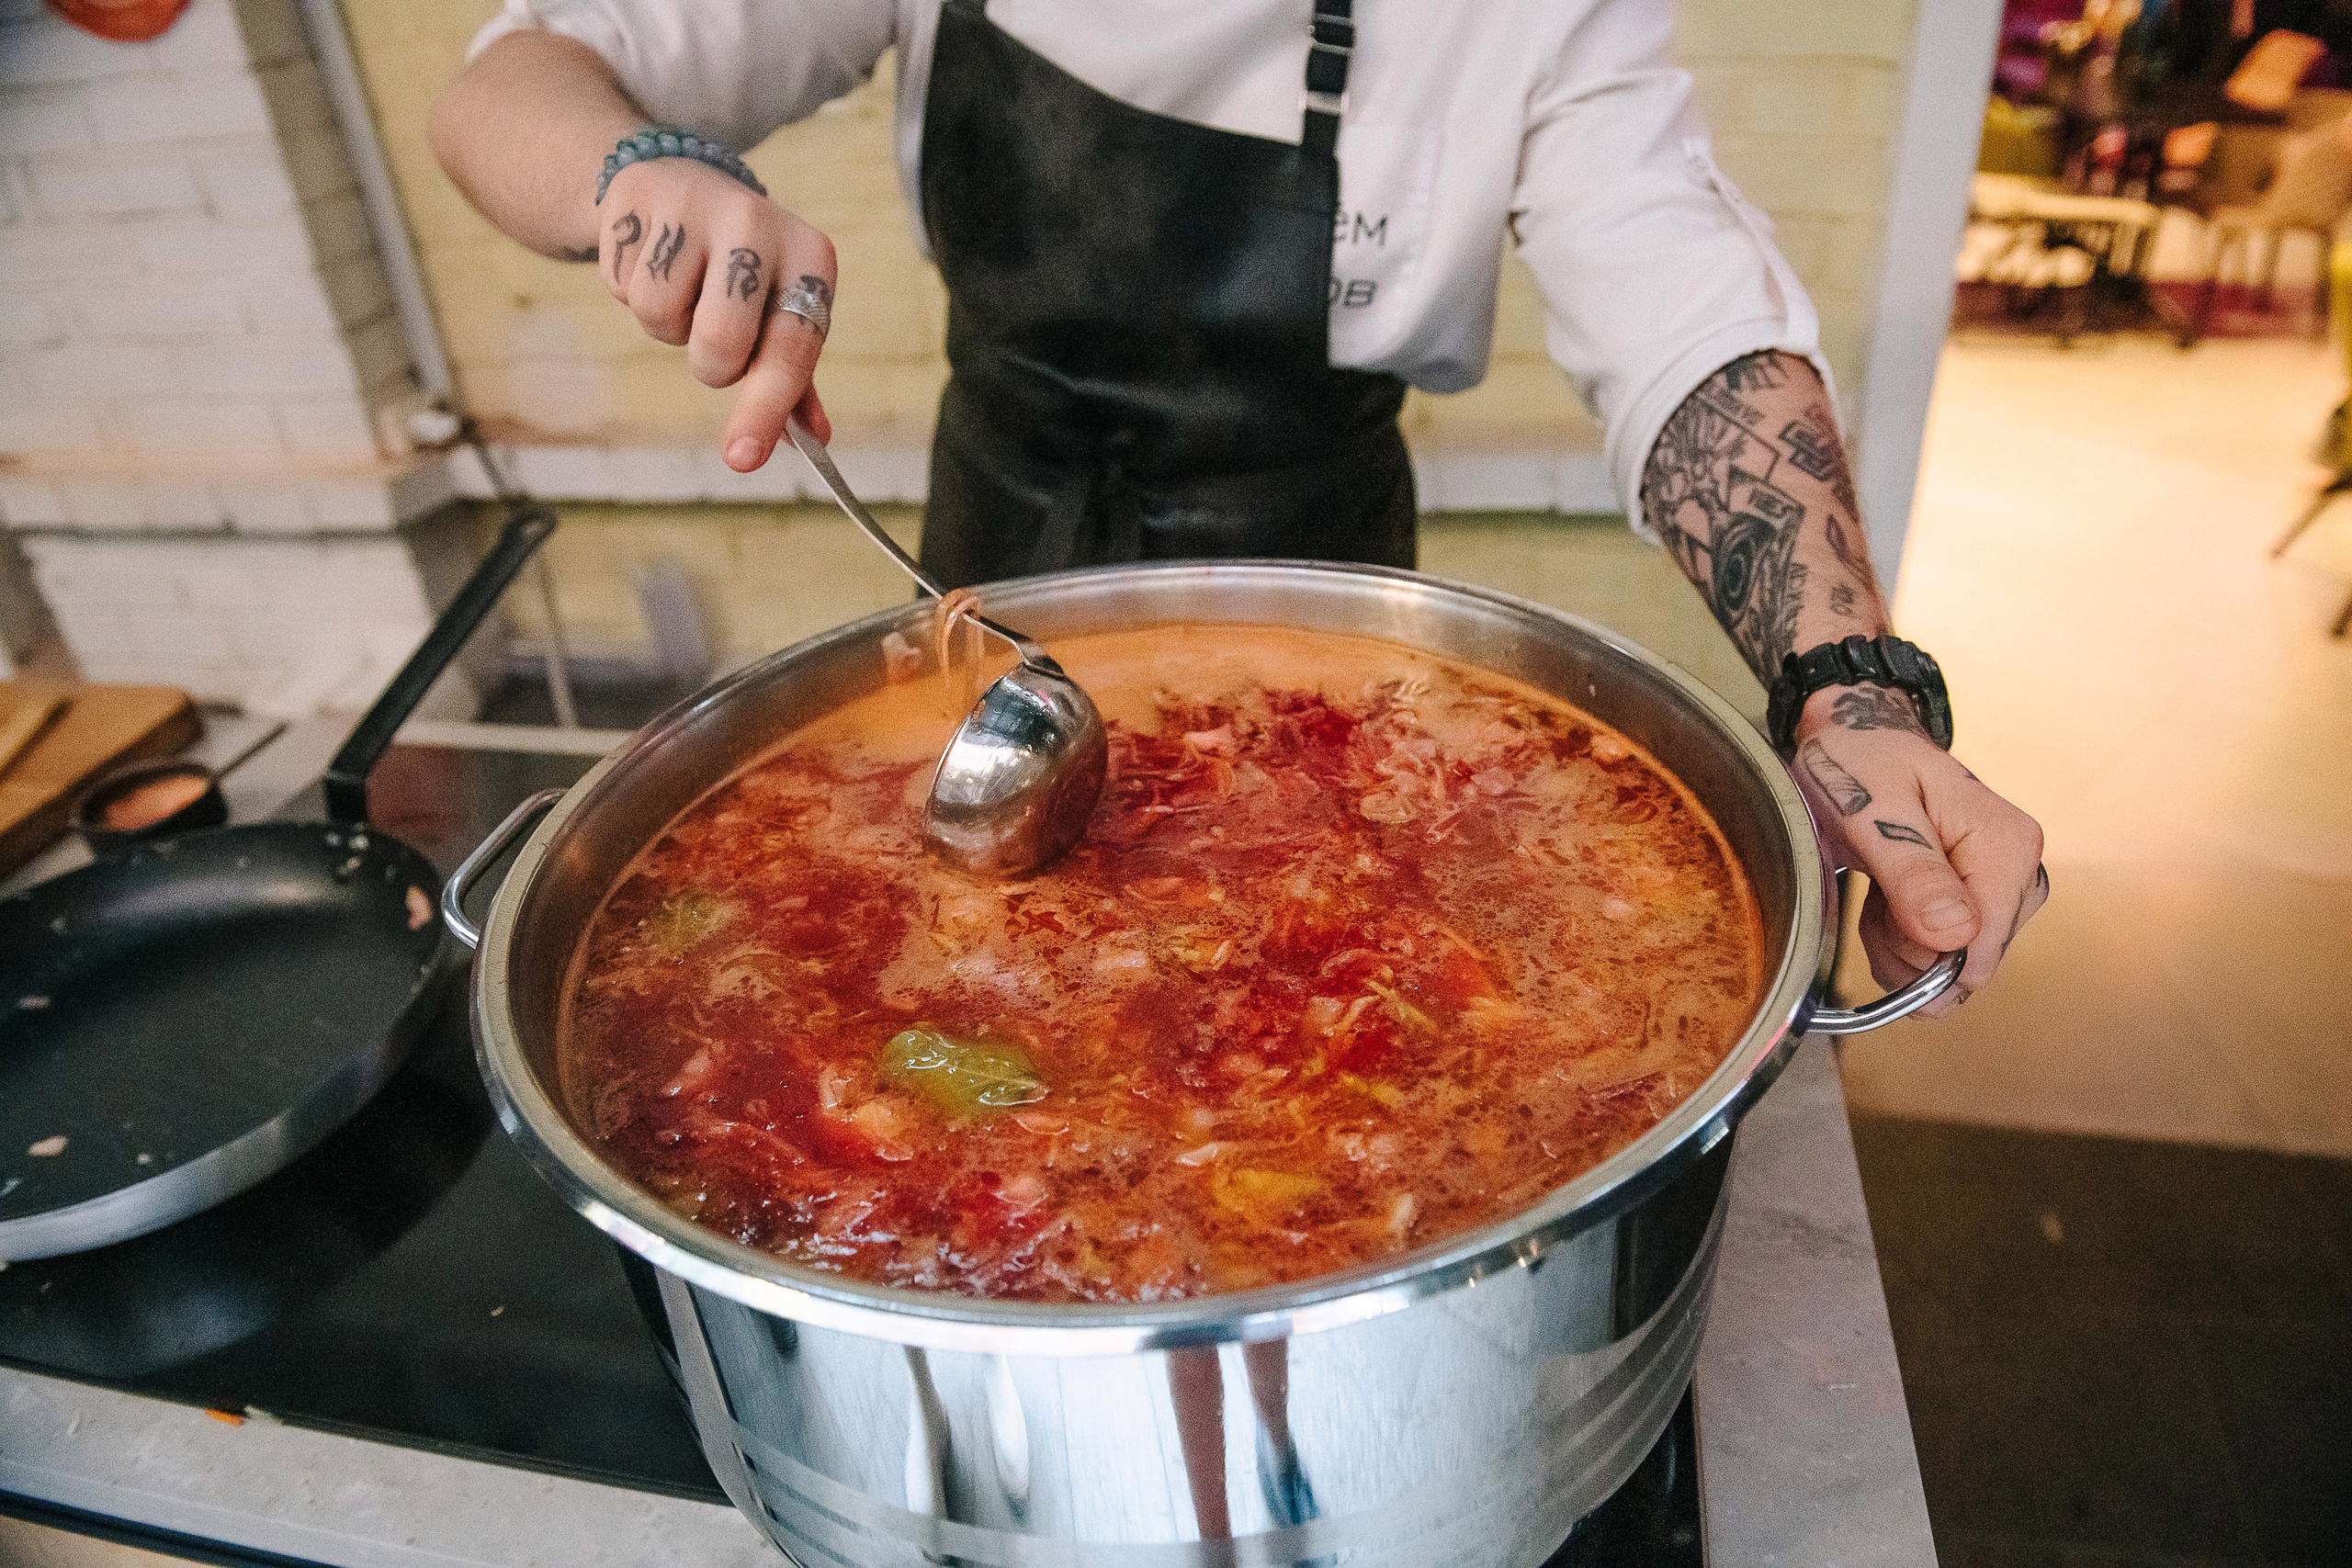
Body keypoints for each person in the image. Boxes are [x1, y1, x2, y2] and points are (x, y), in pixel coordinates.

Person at [432, 0, 2047, 1011]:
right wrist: (636, 168)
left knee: (1336, 1007)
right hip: (999, 556)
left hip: (1323, 602)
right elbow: (508, 84)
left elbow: (1690, 322)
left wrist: (1854, 688)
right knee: (953, 994)